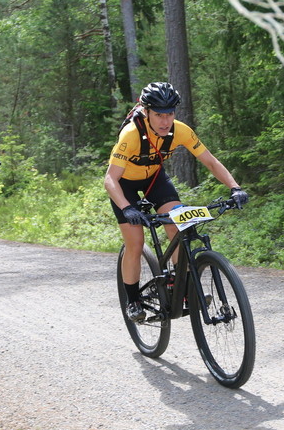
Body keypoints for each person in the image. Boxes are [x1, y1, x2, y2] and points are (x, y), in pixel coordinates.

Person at [104, 82, 249, 322]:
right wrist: (127, 207)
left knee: (177, 224)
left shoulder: (181, 130)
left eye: (170, 113)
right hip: (124, 186)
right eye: (159, 114)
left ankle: (178, 285)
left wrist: (235, 187)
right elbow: (110, 179)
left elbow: (210, 161)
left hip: (154, 180)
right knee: (136, 242)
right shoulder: (131, 134)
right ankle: (133, 300)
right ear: (146, 111)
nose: (165, 121)